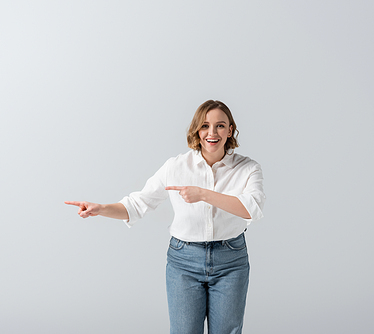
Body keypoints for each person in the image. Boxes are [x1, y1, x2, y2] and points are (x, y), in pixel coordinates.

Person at [65, 100, 265, 334]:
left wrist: (202, 194)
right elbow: (138, 203)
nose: (212, 133)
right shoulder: (176, 167)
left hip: (230, 261)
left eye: (220, 126)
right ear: (197, 130)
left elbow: (252, 208)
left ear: (230, 130)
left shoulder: (248, 168)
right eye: (205, 126)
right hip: (184, 262)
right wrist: (101, 208)